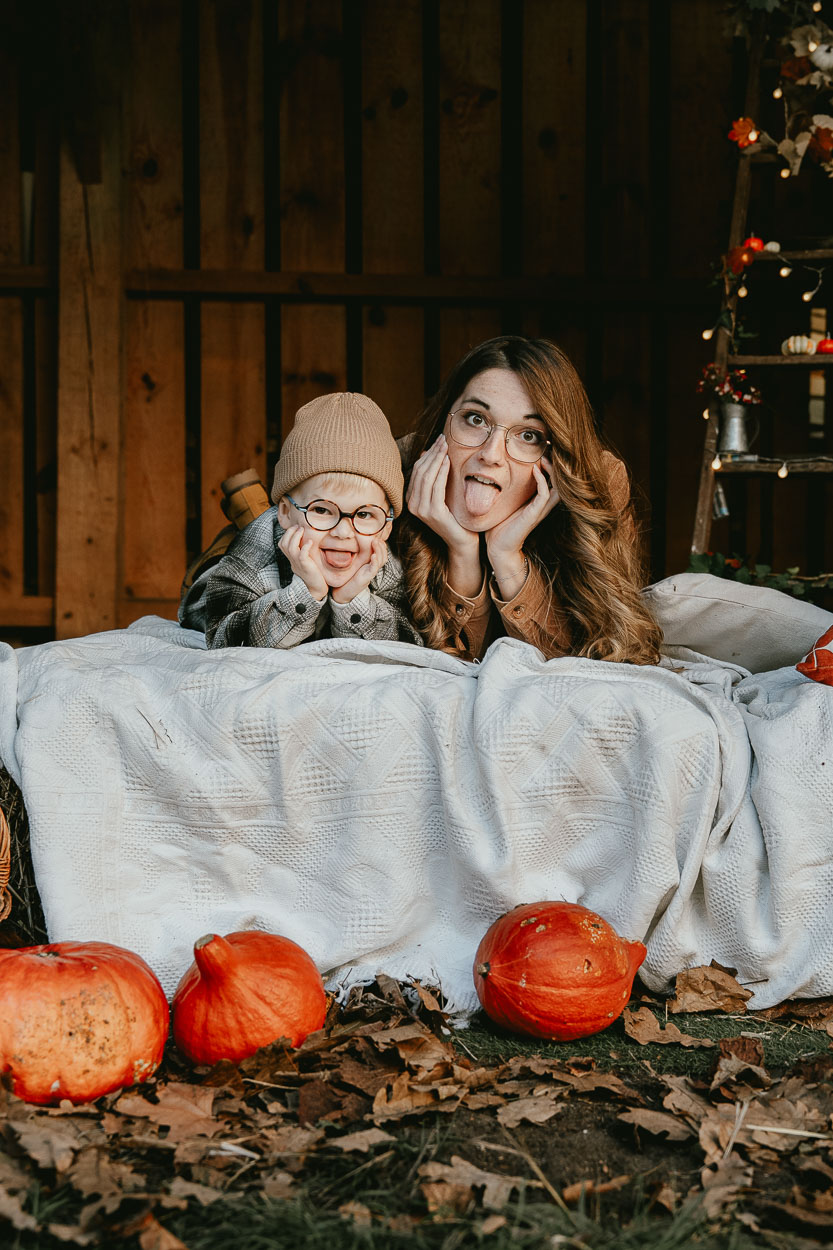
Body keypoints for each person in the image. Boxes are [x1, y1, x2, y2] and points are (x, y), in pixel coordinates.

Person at [397, 335, 662, 664]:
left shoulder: (595, 484)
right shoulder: (395, 472)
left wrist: (507, 557)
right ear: (443, 421)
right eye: (476, 419)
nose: (491, 454)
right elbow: (452, 667)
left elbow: (596, 657)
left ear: (554, 454)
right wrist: (462, 552)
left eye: (529, 435)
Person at [179, 392, 423, 649]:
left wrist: (352, 600)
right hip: (215, 584)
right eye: (322, 510)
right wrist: (307, 592)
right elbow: (223, 637)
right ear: (285, 512)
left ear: (386, 526)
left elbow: (409, 642)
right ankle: (246, 513)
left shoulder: (383, 563)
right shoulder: (256, 557)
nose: (343, 532)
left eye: (363, 514)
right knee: (227, 558)